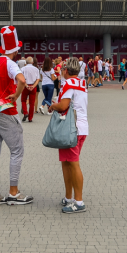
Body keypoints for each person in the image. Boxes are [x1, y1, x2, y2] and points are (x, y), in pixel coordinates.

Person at [0, 26, 33, 206]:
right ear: (16, 49)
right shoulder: (10, 64)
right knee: (17, 150)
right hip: (7, 110)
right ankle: (13, 192)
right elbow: (22, 80)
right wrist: (17, 95)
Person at [50, 57, 89, 213]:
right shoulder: (82, 84)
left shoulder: (67, 84)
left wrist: (53, 106)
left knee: (73, 164)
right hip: (81, 127)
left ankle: (78, 202)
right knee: (67, 162)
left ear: (65, 70)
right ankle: (69, 198)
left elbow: (63, 106)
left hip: (71, 129)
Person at [20, 56, 40, 122]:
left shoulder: (23, 69)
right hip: (33, 86)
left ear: (26, 62)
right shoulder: (36, 69)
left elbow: (21, 78)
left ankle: (25, 113)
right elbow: (38, 79)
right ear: (32, 62)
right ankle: (30, 118)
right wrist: (34, 86)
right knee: (32, 103)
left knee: (23, 100)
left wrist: (26, 85)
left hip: (25, 86)